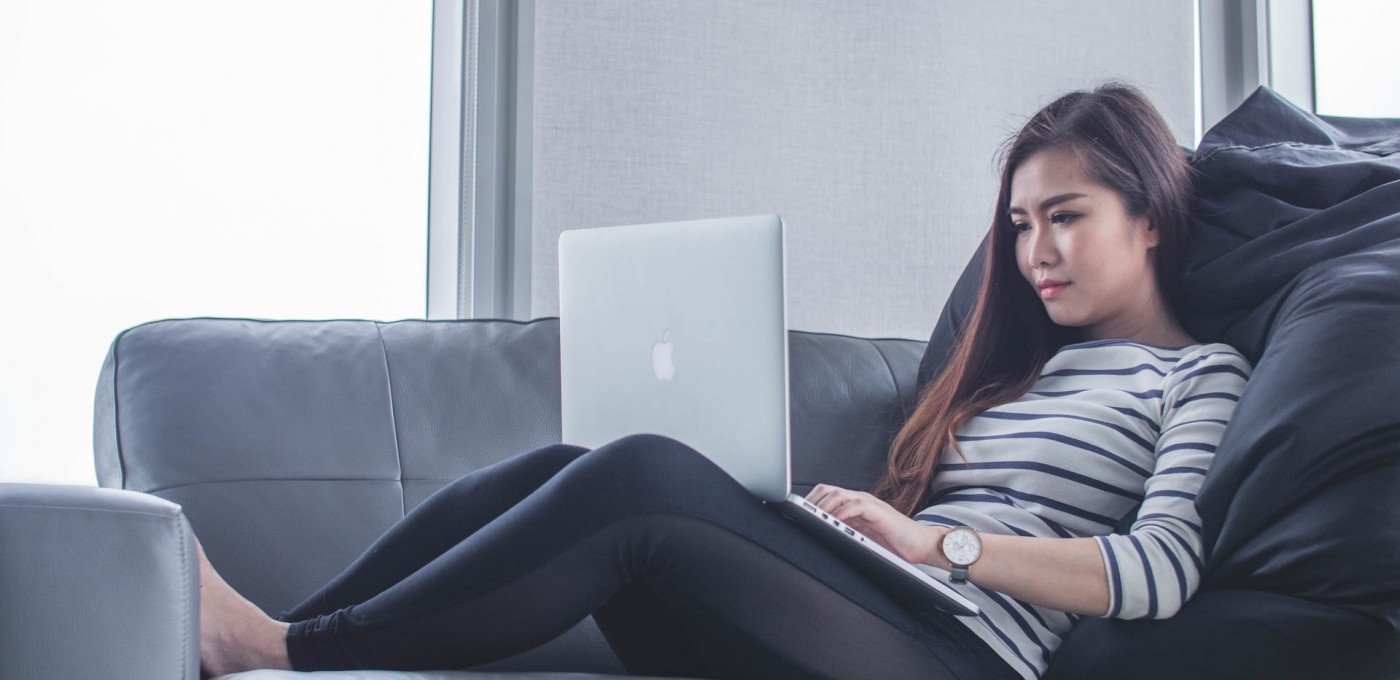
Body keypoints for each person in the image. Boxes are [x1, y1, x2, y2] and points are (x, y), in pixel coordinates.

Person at [195, 81, 1253, 680]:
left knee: (644, 477)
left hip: (964, 655)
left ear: (1149, 217)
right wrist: (843, 530)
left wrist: (939, 544)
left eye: (1064, 217)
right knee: (573, 464)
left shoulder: (1197, 375)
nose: (1033, 252)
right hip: (879, 613)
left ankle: (284, 646)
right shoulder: (1018, 373)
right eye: (1019, 225)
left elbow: (1160, 569)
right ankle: (274, 638)